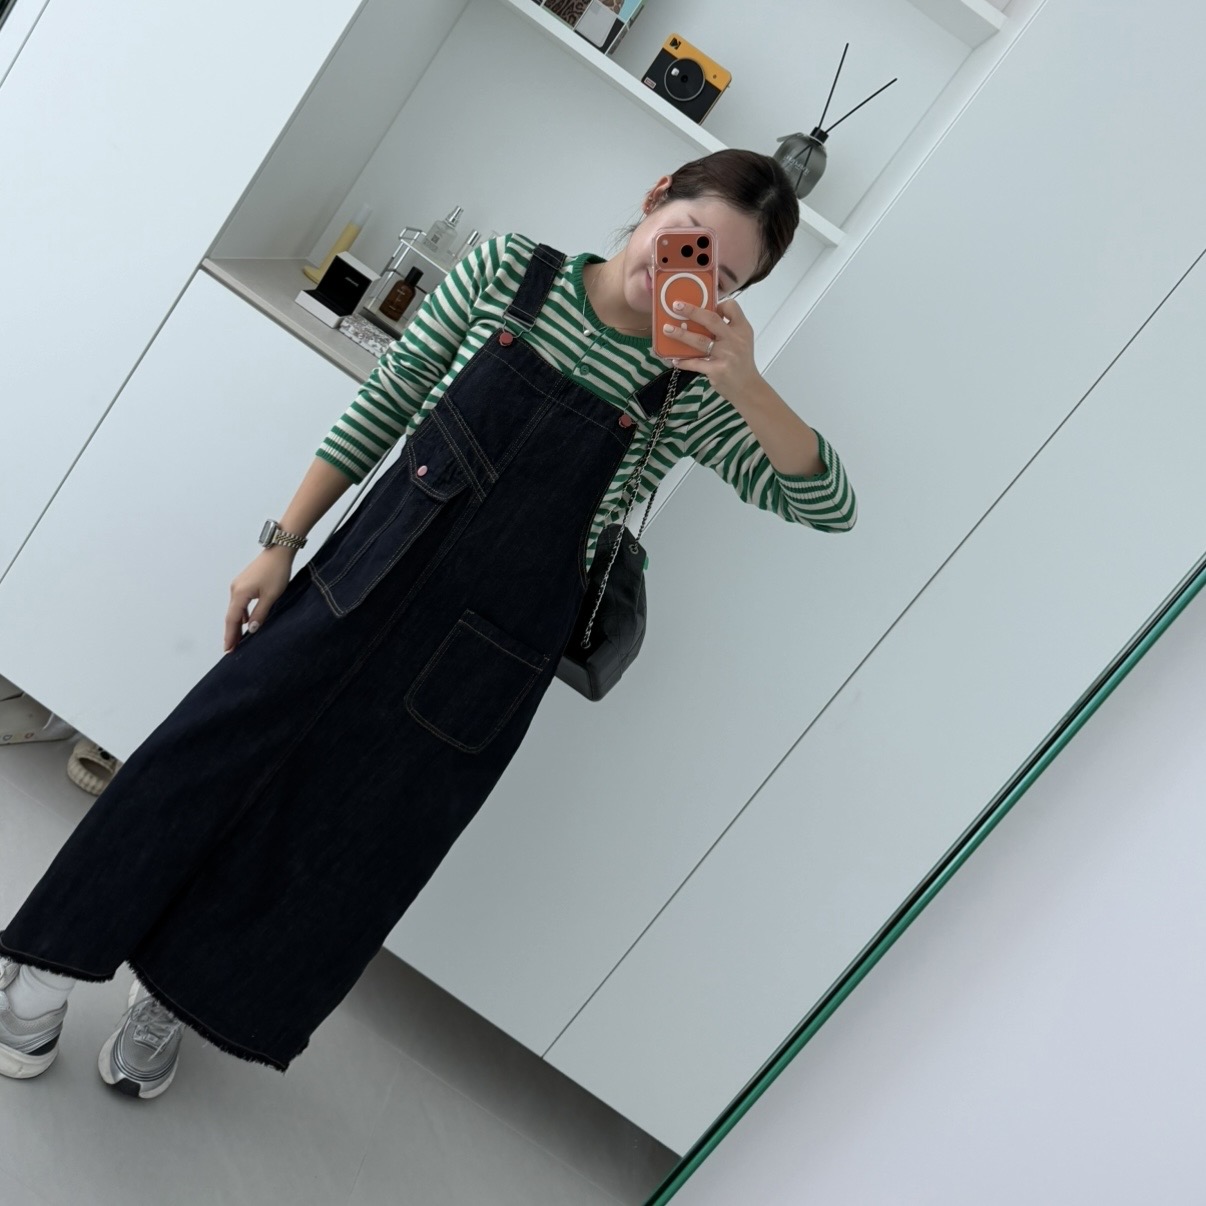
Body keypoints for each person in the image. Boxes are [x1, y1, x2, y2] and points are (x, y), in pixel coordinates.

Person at [0, 149, 858, 1097]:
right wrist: (281, 540)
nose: (686, 279)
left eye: (722, 279)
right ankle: (42, 971)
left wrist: (743, 378)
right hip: (360, 581)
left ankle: (175, 999)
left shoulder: (691, 393)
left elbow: (828, 505)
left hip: (484, 664)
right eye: (686, 242)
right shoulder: (509, 271)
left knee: (334, 840)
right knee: (193, 762)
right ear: (656, 198)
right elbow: (391, 397)